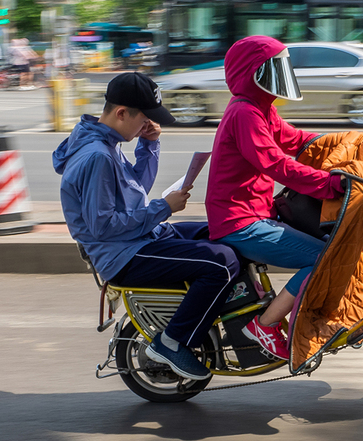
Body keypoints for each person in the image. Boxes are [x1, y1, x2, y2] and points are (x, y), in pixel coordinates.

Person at [53, 72, 240, 381]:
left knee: (222, 230)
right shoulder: (98, 155)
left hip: (138, 236)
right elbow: (103, 226)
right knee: (221, 263)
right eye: (145, 120)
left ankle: (215, 312)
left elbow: (134, 190)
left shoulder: (105, 141)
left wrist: (149, 145)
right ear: (121, 113)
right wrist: (163, 207)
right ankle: (172, 342)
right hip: (124, 253)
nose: (148, 125)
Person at [205, 36, 345, 361]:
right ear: (253, 72)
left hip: (257, 213)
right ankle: (265, 324)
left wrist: (347, 143)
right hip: (240, 222)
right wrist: (329, 184)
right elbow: (277, 164)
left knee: (328, 241)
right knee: (324, 258)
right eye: (271, 68)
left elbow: (296, 139)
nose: (279, 75)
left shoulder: (260, 109)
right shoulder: (245, 114)